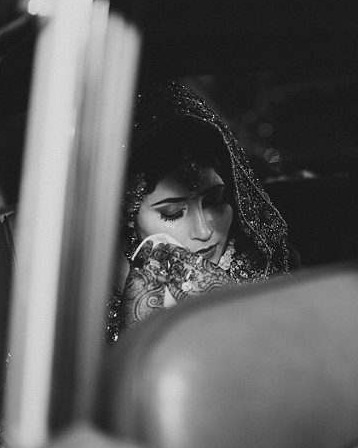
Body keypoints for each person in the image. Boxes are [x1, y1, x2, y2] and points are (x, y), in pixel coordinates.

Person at [107, 81, 292, 341]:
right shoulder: (89, 296)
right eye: (172, 213)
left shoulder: (267, 271)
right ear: (129, 214)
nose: (204, 231)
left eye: (216, 200)